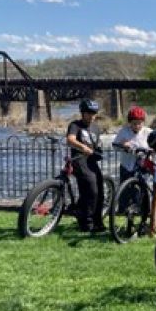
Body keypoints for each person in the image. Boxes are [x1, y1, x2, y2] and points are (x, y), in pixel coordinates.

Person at [66, 98, 106, 233]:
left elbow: (96, 144)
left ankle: (98, 222)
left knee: (100, 191)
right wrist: (83, 148)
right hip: (79, 159)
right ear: (82, 113)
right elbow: (70, 139)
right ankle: (86, 222)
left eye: (94, 113)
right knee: (91, 189)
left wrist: (98, 151)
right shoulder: (75, 125)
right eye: (88, 113)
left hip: (91, 161)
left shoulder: (95, 128)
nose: (91, 116)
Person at [112, 106, 151, 183]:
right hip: (126, 166)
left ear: (143, 122)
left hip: (143, 165)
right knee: (126, 191)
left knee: (143, 189)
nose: (137, 126)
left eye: (139, 123)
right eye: (134, 123)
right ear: (129, 122)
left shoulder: (148, 132)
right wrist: (123, 145)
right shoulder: (124, 131)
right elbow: (115, 145)